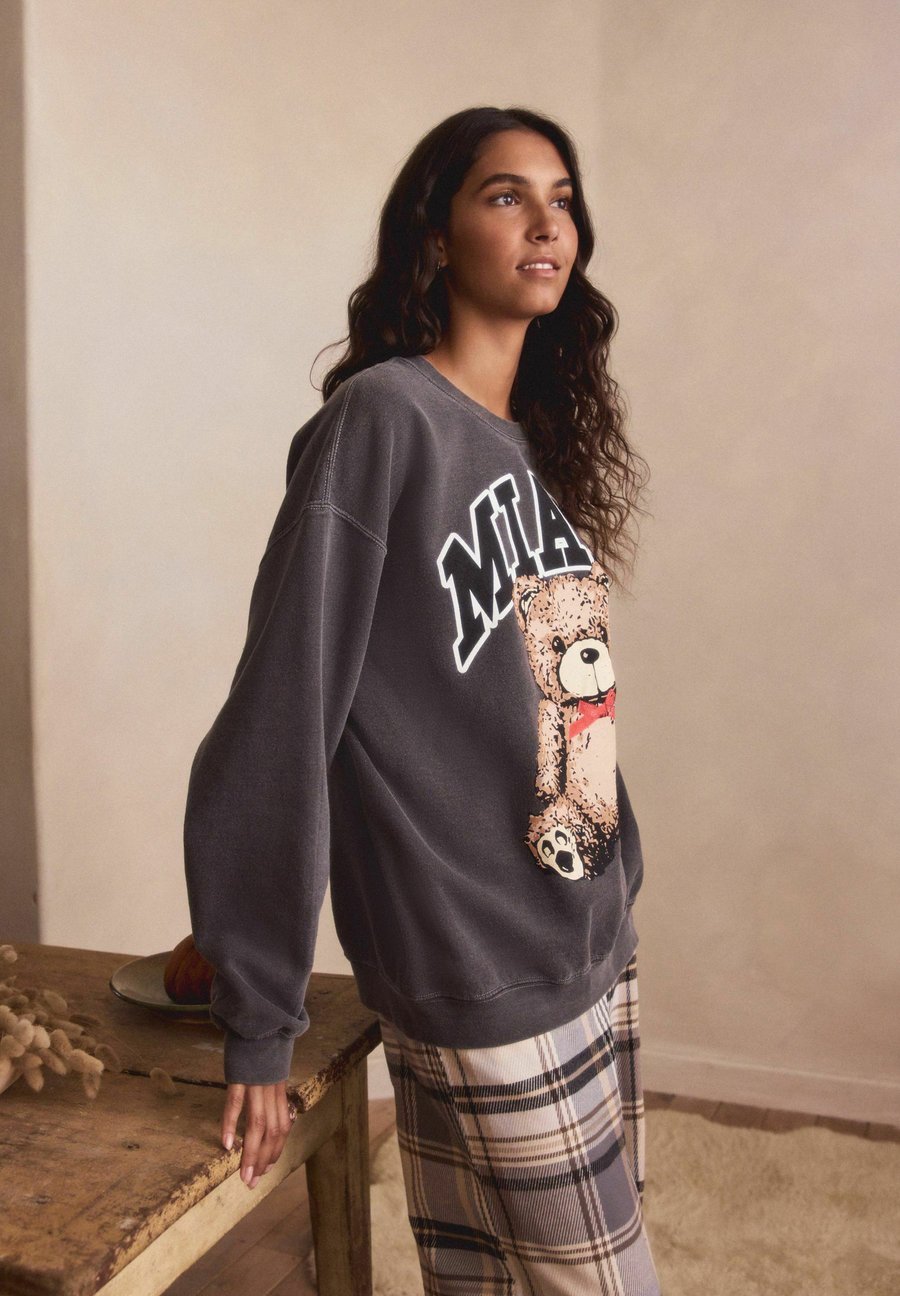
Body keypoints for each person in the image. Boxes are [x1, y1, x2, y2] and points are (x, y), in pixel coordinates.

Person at [183, 104, 660, 1293]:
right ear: (436, 237)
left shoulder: (524, 440)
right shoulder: (384, 420)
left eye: (562, 199)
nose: (547, 224)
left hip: (585, 936)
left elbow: (553, 696)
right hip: (475, 957)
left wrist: (615, 878)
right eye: (506, 196)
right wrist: (262, 1014)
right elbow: (280, 721)